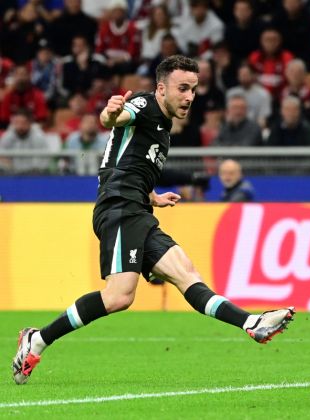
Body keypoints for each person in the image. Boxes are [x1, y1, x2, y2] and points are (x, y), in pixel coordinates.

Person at [11, 55, 295, 386]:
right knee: (119, 296)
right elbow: (114, 119)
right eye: (183, 88)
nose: (189, 97)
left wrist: (152, 195)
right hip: (119, 208)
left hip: (138, 208)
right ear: (161, 88)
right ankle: (38, 340)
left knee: (186, 273)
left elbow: (128, 165)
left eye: (194, 89)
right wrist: (112, 111)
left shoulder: (164, 127)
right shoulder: (144, 105)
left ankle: (252, 324)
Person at [0, 109, 59, 173]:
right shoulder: (8, 136)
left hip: (34, 175)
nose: (20, 126)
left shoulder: (39, 137)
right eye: (17, 122)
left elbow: (43, 161)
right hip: (12, 175)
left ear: (30, 123)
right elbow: (2, 157)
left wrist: (32, 172)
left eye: (23, 123)